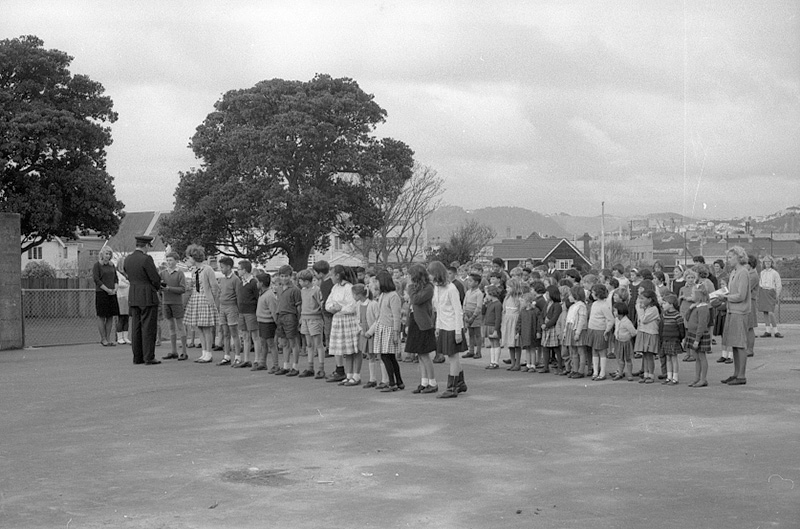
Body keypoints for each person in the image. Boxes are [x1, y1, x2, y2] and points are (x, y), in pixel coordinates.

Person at [429, 260, 467, 398]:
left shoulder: (451, 289)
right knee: (452, 357)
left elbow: (458, 311)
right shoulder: (437, 288)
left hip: (453, 326)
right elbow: (438, 309)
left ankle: (451, 388)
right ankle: (460, 383)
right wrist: (438, 326)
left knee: (453, 357)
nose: (430, 277)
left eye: (431, 274)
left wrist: (458, 331)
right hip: (444, 325)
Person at [123, 236, 162, 365]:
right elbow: (155, 278)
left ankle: (137, 357)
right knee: (148, 327)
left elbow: (128, 275)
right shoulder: (146, 259)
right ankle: (148, 356)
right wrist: (157, 286)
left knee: (136, 327)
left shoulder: (128, 259)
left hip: (134, 294)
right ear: (146, 246)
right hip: (147, 295)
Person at [405, 264, 439, 393]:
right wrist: (408, 324)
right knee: (419, 354)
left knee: (425, 354)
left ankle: (433, 382)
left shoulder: (429, 287)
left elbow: (416, 300)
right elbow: (410, 308)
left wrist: (410, 287)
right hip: (415, 321)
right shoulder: (415, 287)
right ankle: (424, 381)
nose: (408, 278)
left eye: (410, 275)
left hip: (424, 323)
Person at [720, 246, 751, 386]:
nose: (729, 260)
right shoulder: (733, 272)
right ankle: (735, 373)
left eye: (731, 257)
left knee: (740, 344)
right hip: (732, 310)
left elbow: (741, 295)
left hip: (740, 311)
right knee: (734, 343)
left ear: (739, 257)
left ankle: (742, 375)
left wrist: (726, 297)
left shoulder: (743, 272)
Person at [184, 245, 220, 363]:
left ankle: (208, 353)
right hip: (196, 299)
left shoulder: (207, 269)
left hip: (205, 299)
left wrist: (212, 300)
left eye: (189, 257)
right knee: (199, 326)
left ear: (194, 257)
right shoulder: (194, 271)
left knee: (207, 328)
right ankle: (204, 353)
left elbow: (214, 286)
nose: (188, 260)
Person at [325, 265, 360, 382]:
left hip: (348, 320)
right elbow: (328, 303)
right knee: (344, 349)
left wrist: (341, 308)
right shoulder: (335, 288)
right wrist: (332, 308)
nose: (330, 278)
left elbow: (353, 306)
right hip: (338, 320)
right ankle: (347, 374)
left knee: (353, 348)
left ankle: (356, 374)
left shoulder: (349, 287)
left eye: (332, 275)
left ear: (338, 275)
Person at [371, 271, 404, 392]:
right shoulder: (383, 295)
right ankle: (399, 381)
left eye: (377, 281)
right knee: (389, 357)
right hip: (382, 327)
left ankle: (392, 383)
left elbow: (396, 316)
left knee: (386, 356)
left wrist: (396, 332)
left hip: (389, 329)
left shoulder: (393, 296)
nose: (376, 284)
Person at [296, 269, 325, 378]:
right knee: (309, 344)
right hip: (305, 319)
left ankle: (321, 368)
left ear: (307, 281)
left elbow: (321, 304)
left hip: (315, 319)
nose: (299, 283)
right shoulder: (303, 290)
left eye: (301, 281)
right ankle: (310, 367)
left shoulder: (316, 290)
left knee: (318, 343)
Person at [159, 251, 188, 360]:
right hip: (166, 301)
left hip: (176, 302)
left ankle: (184, 351)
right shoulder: (163, 273)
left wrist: (169, 289)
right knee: (170, 325)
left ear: (176, 261)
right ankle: (173, 351)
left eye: (171, 260)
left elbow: (183, 289)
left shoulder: (179, 273)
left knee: (180, 325)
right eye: (167, 260)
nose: (169, 262)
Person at [275, 265, 302, 376]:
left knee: (293, 342)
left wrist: (299, 319)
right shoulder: (279, 288)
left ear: (290, 276)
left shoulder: (295, 290)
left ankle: (295, 366)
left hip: (291, 316)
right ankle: (286, 365)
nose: (284, 278)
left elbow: (298, 307)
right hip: (281, 316)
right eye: (282, 276)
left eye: (286, 276)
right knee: (284, 343)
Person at [234, 260, 260, 369]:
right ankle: (246, 359)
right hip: (242, 312)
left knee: (255, 336)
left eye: (239, 269)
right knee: (245, 336)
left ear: (244, 270)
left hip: (251, 312)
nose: (238, 271)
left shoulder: (253, 283)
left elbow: (257, 297)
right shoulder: (241, 283)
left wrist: (257, 311)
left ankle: (257, 359)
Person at [685, 283, 712, 388]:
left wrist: (697, 339)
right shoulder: (696, 306)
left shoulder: (703, 308)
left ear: (699, 295)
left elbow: (702, 325)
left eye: (693, 294)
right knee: (697, 357)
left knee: (702, 356)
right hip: (693, 333)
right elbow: (687, 318)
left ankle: (703, 379)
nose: (691, 296)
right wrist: (690, 308)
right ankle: (697, 377)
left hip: (699, 335)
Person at [586, 284, 614, 380]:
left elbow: (611, 319)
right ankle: (595, 371)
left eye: (593, 293)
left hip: (600, 330)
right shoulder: (594, 304)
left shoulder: (604, 306)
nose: (591, 294)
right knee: (594, 351)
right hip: (592, 330)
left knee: (602, 352)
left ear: (598, 294)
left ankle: (602, 373)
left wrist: (607, 330)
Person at [93, 246, 119, 347]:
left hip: (112, 293)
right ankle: (103, 339)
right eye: (106, 254)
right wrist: (107, 289)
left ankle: (108, 338)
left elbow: (116, 279)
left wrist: (115, 289)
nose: (108, 256)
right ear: (102, 254)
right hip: (102, 293)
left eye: (109, 254)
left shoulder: (112, 265)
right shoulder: (97, 266)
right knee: (101, 315)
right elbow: (96, 279)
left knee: (110, 316)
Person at [634, 290, 661, 384]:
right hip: (643, 332)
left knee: (649, 355)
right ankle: (645, 374)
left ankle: (651, 375)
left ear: (649, 299)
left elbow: (644, 319)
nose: (640, 301)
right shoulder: (644, 308)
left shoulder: (653, 309)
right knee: (644, 355)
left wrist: (639, 308)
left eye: (642, 298)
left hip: (650, 333)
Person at [254, 272, 278, 372]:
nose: (256, 284)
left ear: (262, 283)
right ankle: (262, 362)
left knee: (271, 343)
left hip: (268, 322)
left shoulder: (269, 295)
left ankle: (275, 365)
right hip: (262, 321)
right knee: (263, 343)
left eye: (257, 282)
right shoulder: (262, 294)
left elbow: (274, 310)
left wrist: (277, 323)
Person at [659, 294, 685, 385]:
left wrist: (680, 338)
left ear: (671, 304)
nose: (663, 305)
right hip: (665, 339)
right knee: (668, 358)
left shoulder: (677, 316)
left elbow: (681, 329)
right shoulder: (664, 315)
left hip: (674, 339)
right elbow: (662, 327)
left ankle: (675, 377)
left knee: (674, 358)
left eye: (665, 303)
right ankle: (668, 377)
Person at [564, 285, 587, 378]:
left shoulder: (581, 306)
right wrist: (565, 332)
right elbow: (568, 320)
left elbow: (582, 320)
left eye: (570, 295)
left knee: (581, 351)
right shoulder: (572, 306)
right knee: (573, 351)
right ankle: (574, 369)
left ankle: (581, 371)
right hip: (571, 329)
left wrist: (577, 332)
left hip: (578, 330)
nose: (569, 297)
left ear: (576, 295)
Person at [539, 285, 563, 374]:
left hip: (552, 328)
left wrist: (547, 325)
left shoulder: (557, 305)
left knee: (556, 348)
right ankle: (545, 367)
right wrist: (542, 324)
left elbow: (555, 317)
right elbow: (541, 315)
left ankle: (560, 366)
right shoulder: (547, 304)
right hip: (546, 328)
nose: (546, 295)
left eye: (548, 293)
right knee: (545, 347)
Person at [501, 278, 524, 371]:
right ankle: (512, 362)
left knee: (517, 344)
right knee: (510, 344)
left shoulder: (519, 299)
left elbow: (521, 311)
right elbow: (504, 310)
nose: (507, 289)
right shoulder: (506, 298)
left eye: (509, 287)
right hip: (507, 321)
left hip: (515, 321)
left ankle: (517, 363)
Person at [757, 255, 783, 338]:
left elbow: (778, 285)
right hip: (763, 291)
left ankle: (776, 331)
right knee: (765, 312)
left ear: (771, 263)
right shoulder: (762, 272)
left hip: (771, 292)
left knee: (771, 312)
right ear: (763, 263)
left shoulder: (775, 273)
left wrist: (777, 295)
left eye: (769, 262)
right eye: (765, 262)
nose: (767, 263)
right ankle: (767, 330)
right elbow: (760, 283)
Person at [461, 273, 484, 360]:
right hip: (468, 314)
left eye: (471, 281)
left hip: (475, 315)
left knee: (477, 334)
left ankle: (478, 351)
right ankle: (471, 350)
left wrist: (473, 317)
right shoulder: (468, 292)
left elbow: (479, 306)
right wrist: (465, 314)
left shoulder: (479, 293)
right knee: (470, 334)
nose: (469, 283)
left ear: (477, 282)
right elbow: (464, 303)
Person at [612, 302, 636, 381]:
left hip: (626, 342)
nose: (613, 312)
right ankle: (620, 373)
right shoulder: (616, 320)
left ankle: (630, 374)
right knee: (620, 359)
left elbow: (633, 332)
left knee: (628, 359)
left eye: (615, 311)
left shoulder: (627, 322)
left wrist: (628, 337)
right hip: (619, 341)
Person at [482, 286, 503, 370]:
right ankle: (492, 361)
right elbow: (483, 312)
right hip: (488, 325)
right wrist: (484, 303)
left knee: (496, 343)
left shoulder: (497, 304)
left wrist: (496, 330)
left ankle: (496, 362)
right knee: (492, 343)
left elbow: (498, 318)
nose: (486, 296)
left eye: (487, 294)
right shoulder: (490, 303)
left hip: (494, 326)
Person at [115, 262, 131, 345]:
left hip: (128, 297)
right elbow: (119, 284)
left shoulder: (127, 274)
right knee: (121, 318)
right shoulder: (116, 273)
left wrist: (127, 281)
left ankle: (126, 337)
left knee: (126, 318)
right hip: (121, 297)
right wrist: (127, 283)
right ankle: (119, 337)